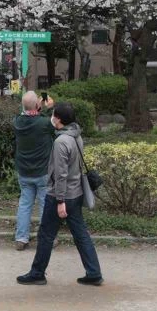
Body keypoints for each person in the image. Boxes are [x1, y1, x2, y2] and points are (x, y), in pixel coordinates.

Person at [17, 102, 103, 286]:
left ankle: (37, 273)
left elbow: (60, 175)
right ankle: (94, 272)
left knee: (46, 234)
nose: (52, 118)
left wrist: (60, 200)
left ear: (59, 120)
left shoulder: (61, 142)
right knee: (81, 234)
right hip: (76, 193)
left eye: (54, 115)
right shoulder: (76, 136)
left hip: (60, 195)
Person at [13, 91, 55, 250]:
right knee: (45, 204)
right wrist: (49, 108)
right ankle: (45, 239)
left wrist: (34, 105)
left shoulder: (17, 122)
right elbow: (55, 125)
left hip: (24, 171)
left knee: (25, 204)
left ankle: (21, 239)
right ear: (37, 106)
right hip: (43, 171)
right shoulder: (44, 123)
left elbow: (26, 113)